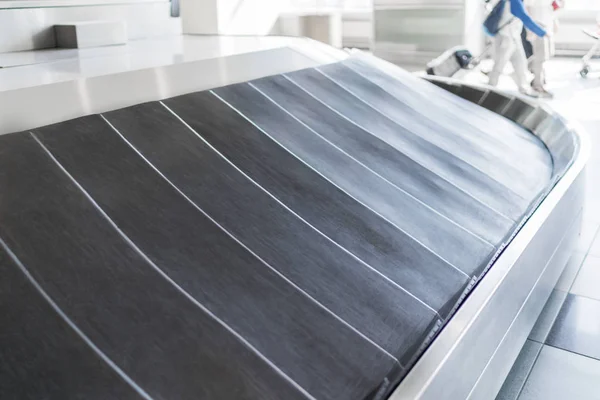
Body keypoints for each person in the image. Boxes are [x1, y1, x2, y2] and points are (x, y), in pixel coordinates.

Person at [488, 0, 547, 96]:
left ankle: (524, 89)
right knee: (500, 63)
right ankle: (490, 86)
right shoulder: (515, 1)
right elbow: (524, 17)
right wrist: (541, 32)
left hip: (514, 37)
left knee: (520, 63)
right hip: (506, 36)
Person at [526, 0, 563, 98]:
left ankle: (527, 68)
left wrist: (555, 22)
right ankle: (538, 85)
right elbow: (528, 8)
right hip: (538, 26)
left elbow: (553, 7)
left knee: (546, 55)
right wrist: (530, 29)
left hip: (547, 27)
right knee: (540, 58)